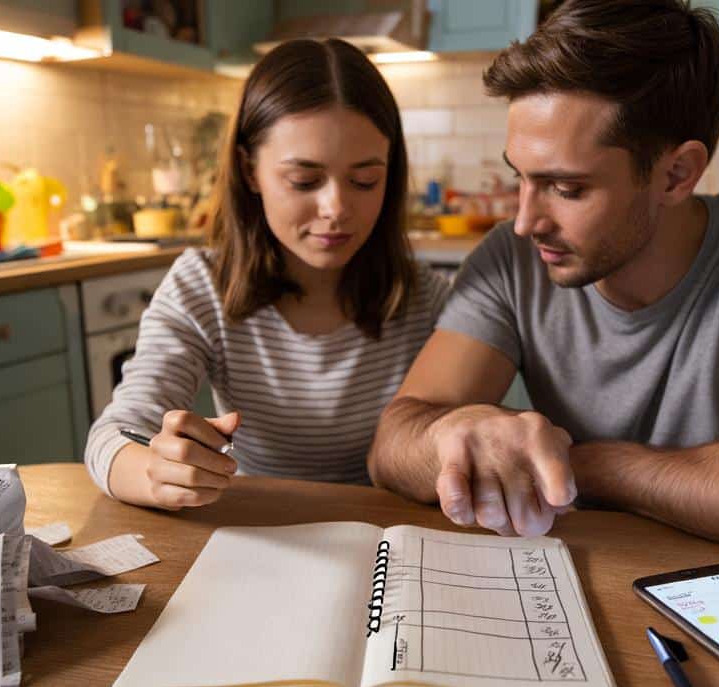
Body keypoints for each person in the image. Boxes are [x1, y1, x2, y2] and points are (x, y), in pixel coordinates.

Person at [368, 0, 719, 573]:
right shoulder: (510, 258)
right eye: (520, 177)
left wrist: (592, 465)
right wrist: (454, 431)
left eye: (566, 188)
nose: (525, 221)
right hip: (576, 574)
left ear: (676, 174)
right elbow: (392, 448)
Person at [86, 39, 450, 510]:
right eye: (304, 181)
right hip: (263, 534)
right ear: (249, 169)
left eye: (365, 180)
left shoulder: (429, 301)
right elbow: (112, 437)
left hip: (393, 537)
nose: (336, 208)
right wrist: (156, 472)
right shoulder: (203, 287)